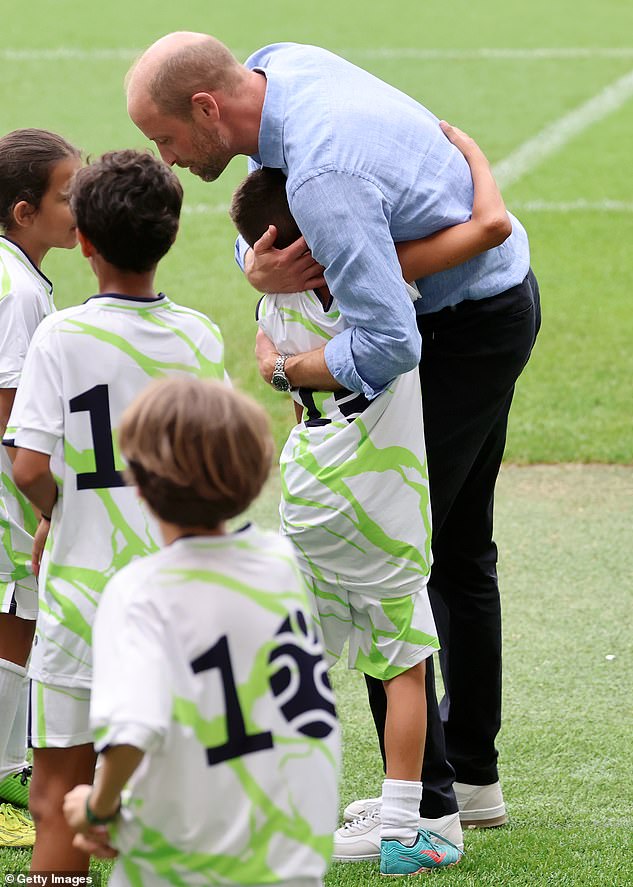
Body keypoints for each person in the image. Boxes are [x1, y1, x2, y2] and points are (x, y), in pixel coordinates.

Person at [126, 32, 541, 859]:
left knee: (391, 556)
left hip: (458, 332)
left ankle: (422, 812)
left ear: (208, 107)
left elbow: (388, 341)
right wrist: (258, 266)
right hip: (494, 301)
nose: (165, 160)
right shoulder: (282, 63)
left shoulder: (323, 176)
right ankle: (473, 781)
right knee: (458, 551)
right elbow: (265, 207)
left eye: (165, 138)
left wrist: (287, 369)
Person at [3, 149, 226, 873]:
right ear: (169, 235)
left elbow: (29, 464)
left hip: (79, 597)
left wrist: (52, 515)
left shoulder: (60, 335)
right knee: (170, 785)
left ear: (86, 243)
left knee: (59, 786)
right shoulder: (199, 337)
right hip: (173, 598)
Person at [62, 376, 340, 887]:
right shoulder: (280, 565)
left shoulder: (140, 592)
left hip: (184, 866)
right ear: (254, 474)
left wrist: (97, 809)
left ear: (139, 484)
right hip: (292, 863)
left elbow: (131, 732)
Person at [0, 128, 81, 848]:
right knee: (16, 625)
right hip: (6, 501)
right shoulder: (20, 291)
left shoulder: (13, 272)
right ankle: (3, 775)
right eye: (67, 194)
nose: (80, 203)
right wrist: (43, 503)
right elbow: (11, 414)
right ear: (25, 212)